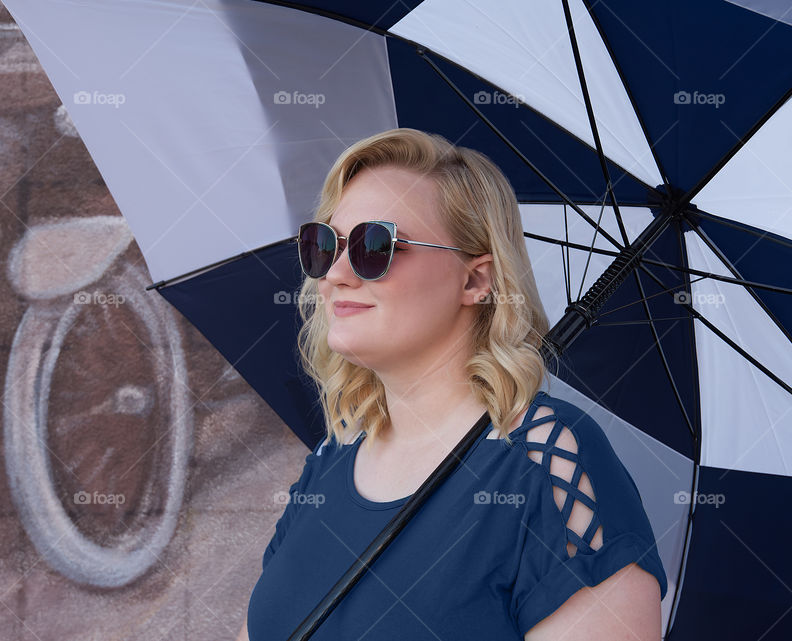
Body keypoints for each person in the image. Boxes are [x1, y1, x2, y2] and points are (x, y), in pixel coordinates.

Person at [239, 128, 667, 640]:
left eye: (374, 245)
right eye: (324, 244)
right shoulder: (332, 458)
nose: (335, 275)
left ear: (475, 281)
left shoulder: (547, 460)